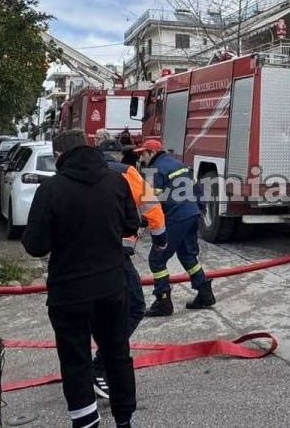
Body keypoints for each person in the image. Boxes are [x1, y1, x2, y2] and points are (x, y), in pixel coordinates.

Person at [23, 130, 139, 428]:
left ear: (59, 155)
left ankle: (86, 423)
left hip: (69, 292)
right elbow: (131, 223)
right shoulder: (116, 181)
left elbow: (35, 245)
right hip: (112, 287)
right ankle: (124, 421)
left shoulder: (52, 189)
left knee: (76, 362)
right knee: (117, 355)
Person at [91, 152, 166, 401]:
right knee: (134, 307)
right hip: (115, 253)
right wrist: (159, 238)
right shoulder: (125, 172)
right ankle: (99, 366)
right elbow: (151, 205)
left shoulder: (69, 175)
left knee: (92, 312)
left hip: (79, 257)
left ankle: (85, 370)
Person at [136, 139, 215, 316]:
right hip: (191, 214)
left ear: (152, 153)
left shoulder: (153, 170)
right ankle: (205, 294)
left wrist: (142, 224)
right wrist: (198, 209)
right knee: (187, 255)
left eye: (143, 153)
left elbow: (151, 203)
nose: (141, 158)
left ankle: (163, 302)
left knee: (157, 259)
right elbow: (197, 189)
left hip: (176, 218)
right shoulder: (179, 164)